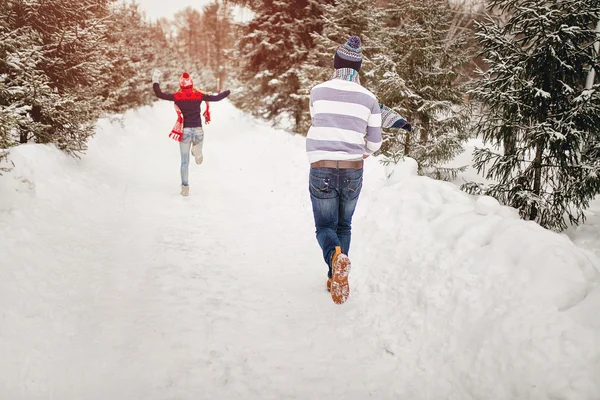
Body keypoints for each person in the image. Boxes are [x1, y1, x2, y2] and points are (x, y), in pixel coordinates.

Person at [306, 36, 382, 304]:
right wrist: (365, 151)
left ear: (335, 64)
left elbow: (317, 119)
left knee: (324, 226)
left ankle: (334, 261)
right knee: (344, 225)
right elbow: (374, 141)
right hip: (352, 168)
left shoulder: (317, 91)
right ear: (358, 68)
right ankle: (336, 275)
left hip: (321, 165)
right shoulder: (369, 98)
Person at [152, 70, 230, 196]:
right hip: (198, 130)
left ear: (181, 85)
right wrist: (228, 92)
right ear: (191, 84)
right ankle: (197, 150)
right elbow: (216, 98)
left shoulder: (177, 96)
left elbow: (159, 94)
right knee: (198, 146)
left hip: (185, 131)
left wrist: (155, 79)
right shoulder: (198, 95)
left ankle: (185, 187)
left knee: (184, 162)